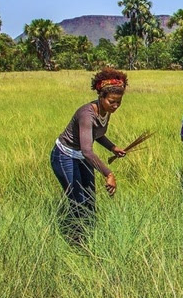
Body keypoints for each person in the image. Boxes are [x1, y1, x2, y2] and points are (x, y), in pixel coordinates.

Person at [50, 67, 128, 243]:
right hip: (65, 156)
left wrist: (113, 148)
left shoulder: (105, 110)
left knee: (90, 198)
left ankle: (90, 236)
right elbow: (87, 150)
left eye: (119, 102)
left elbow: (96, 134)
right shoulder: (87, 114)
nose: (115, 106)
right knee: (77, 200)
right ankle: (76, 241)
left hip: (81, 156)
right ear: (101, 97)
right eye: (111, 101)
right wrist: (108, 173)